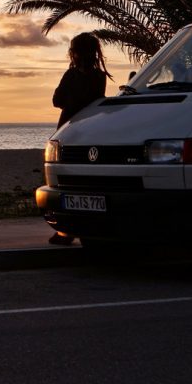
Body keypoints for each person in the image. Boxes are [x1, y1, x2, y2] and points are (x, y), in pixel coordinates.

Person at [48, 32, 112, 245]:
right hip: (89, 132)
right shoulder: (98, 76)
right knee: (84, 183)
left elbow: (57, 100)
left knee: (67, 183)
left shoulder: (72, 76)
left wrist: (71, 101)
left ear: (75, 53)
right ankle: (75, 229)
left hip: (70, 131)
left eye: (73, 51)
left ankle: (69, 230)